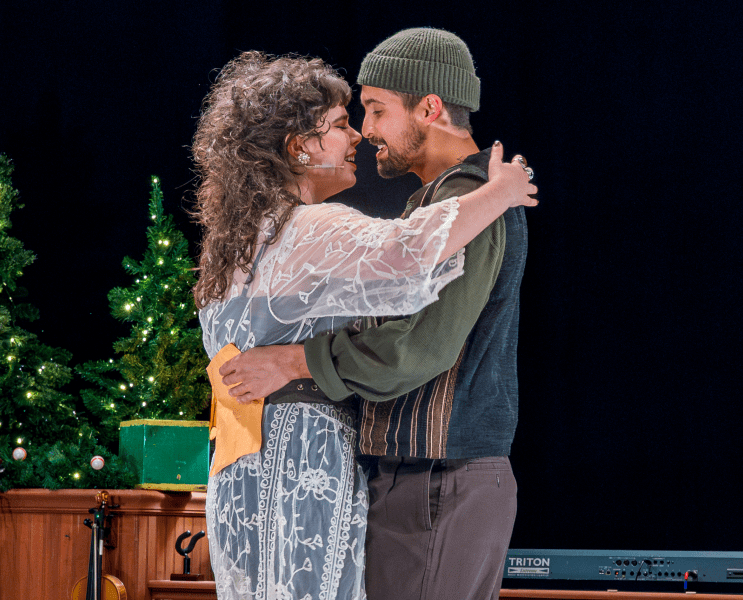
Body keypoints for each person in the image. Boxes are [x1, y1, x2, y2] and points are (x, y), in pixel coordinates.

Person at [192, 50, 537, 600]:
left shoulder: (238, 239)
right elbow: (410, 252)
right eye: (343, 122)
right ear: (298, 146)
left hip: (246, 470)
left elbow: (424, 341)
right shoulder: (309, 228)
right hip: (301, 461)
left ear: (429, 107)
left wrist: (298, 359)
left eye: (372, 112)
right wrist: (501, 190)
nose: (360, 133)